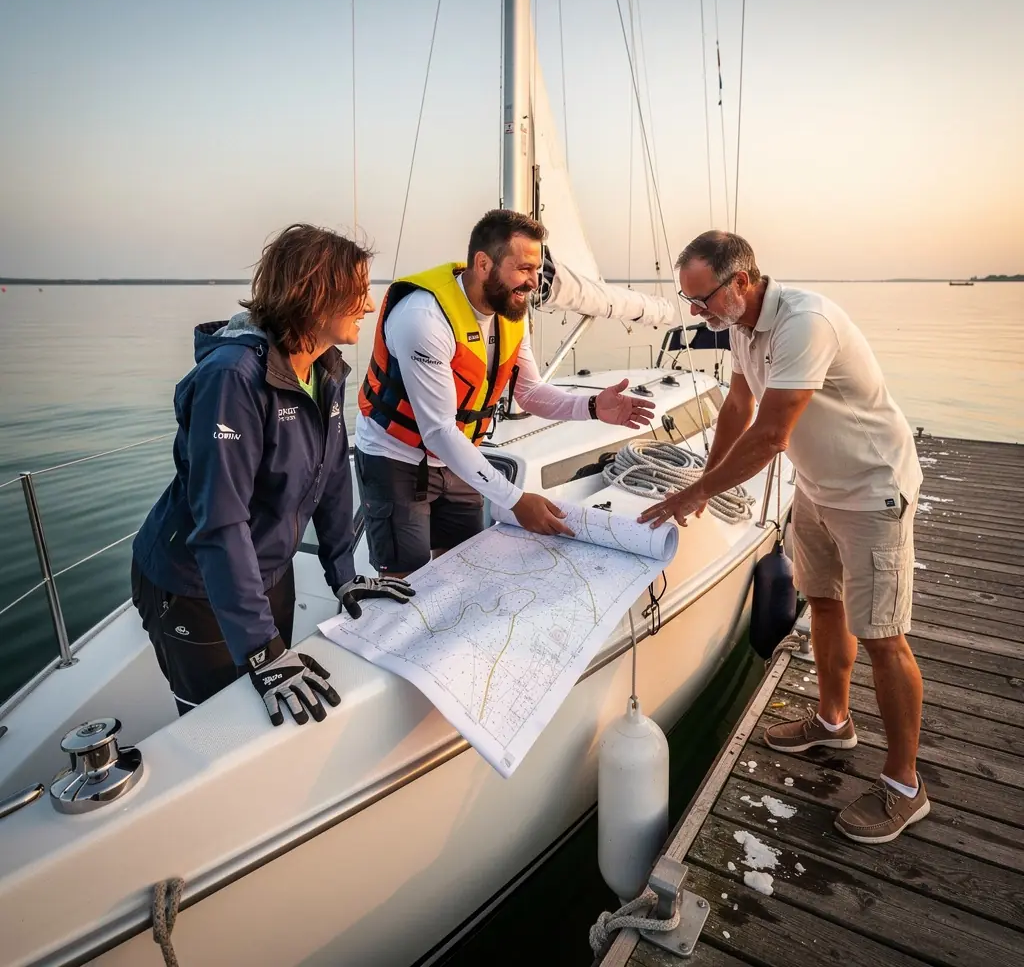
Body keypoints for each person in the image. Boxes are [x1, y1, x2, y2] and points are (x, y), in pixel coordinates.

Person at [639, 230, 927, 844]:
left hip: (871, 487)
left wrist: (697, 495)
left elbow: (770, 434)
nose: (697, 314)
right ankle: (833, 721)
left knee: (882, 635)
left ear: (741, 280)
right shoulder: (741, 328)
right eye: (689, 303)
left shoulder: (805, 323)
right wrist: (704, 479)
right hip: (818, 486)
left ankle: (905, 785)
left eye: (703, 299)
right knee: (822, 604)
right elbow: (737, 409)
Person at [131, 224, 413, 727]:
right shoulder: (232, 378)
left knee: (269, 717)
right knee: (220, 725)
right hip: (195, 588)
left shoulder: (325, 368)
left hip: (268, 574)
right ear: (315, 293)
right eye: (358, 291)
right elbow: (220, 522)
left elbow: (330, 480)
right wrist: (264, 651)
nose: (369, 306)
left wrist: (344, 577)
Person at [353, 208, 656, 576]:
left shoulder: (510, 311)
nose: (533, 281)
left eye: (537, 269)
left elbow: (530, 393)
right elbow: (438, 430)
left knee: (463, 566)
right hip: (396, 458)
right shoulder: (423, 319)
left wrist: (592, 406)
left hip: (456, 457)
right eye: (524, 268)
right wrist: (515, 501)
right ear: (483, 264)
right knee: (407, 577)